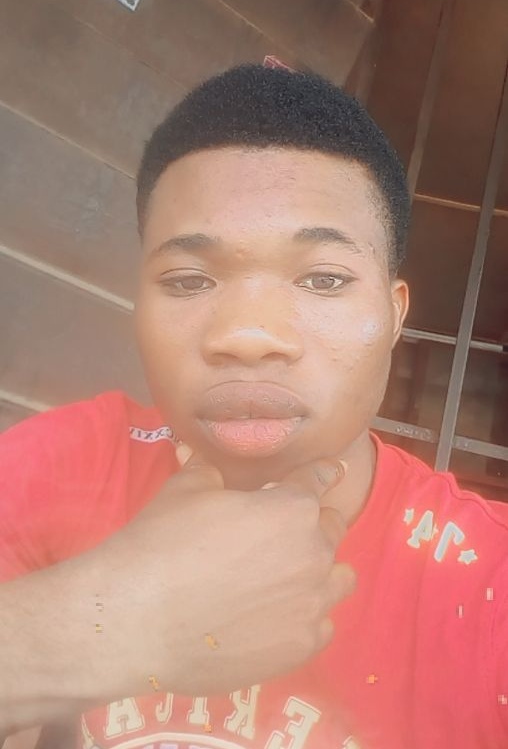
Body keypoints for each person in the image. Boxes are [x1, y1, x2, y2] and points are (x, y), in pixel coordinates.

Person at [1, 65, 507, 749]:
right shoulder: (68, 464)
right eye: (189, 280)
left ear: (394, 316)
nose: (247, 334)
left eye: (322, 279)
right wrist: (116, 623)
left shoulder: (488, 585)